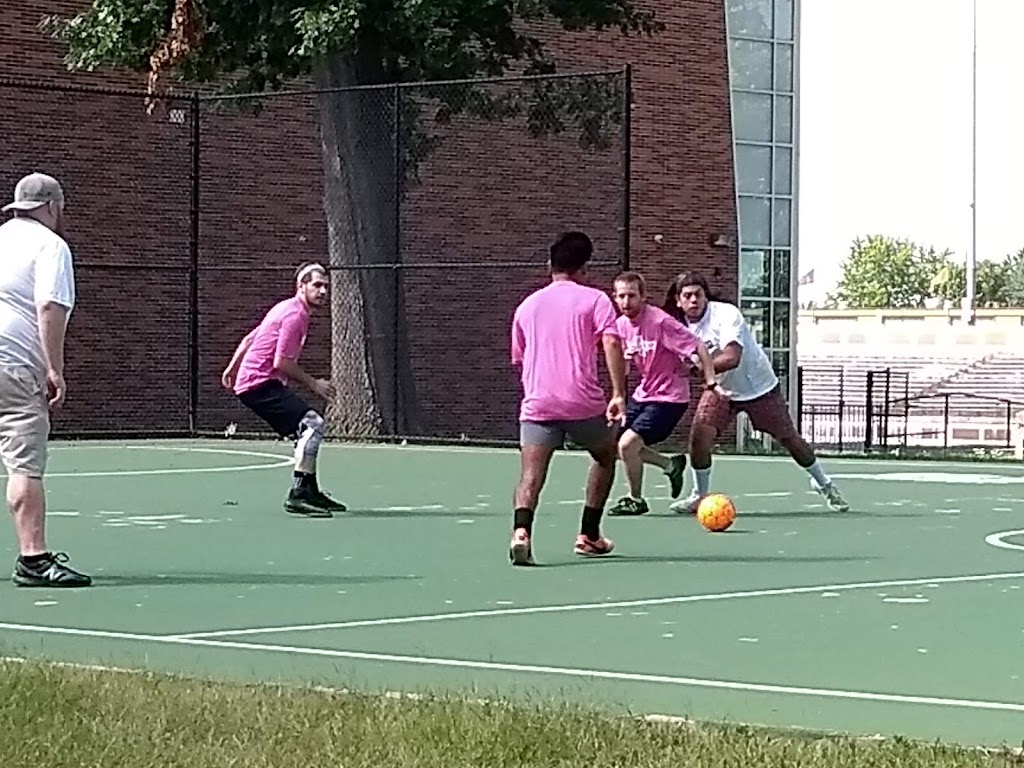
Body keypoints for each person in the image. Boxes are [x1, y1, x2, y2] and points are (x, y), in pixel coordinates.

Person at [662, 272, 850, 514]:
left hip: (758, 387)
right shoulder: (677, 326)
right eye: (687, 296)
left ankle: (824, 484)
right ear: (678, 300)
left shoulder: (726, 314)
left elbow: (732, 358)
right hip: (721, 389)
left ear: (706, 297)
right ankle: (700, 496)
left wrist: (694, 368)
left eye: (699, 294)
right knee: (699, 438)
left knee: (789, 439)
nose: (694, 300)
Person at [509, 231, 627, 566]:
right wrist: (618, 393)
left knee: (531, 475)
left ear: (550, 265)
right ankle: (589, 535)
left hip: (537, 404)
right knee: (605, 456)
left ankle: (521, 532)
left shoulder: (527, 305)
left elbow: (519, 359)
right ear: (584, 267)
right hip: (582, 402)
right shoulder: (595, 300)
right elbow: (612, 343)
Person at [0, 172, 91, 587]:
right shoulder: (51, 246)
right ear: (53, 207)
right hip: (15, 366)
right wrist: (55, 368)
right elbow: (50, 307)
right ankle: (33, 559)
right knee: (25, 464)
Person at [222, 262, 346, 518]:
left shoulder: (285, 308)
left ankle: (310, 491)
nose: (323, 291)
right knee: (313, 424)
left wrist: (232, 368)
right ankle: (298, 495)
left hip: (255, 383)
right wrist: (315, 384)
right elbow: (282, 362)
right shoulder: (294, 315)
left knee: (308, 428)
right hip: (258, 385)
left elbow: (250, 339)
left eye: (326, 287)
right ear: (301, 287)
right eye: (317, 285)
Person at [608, 271, 720, 517]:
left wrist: (710, 381)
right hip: (644, 394)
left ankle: (635, 499)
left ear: (644, 296)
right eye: (622, 297)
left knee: (628, 445)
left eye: (632, 296)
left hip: (669, 398)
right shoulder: (621, 326)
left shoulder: (660, 322)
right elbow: (625, 364)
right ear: (615, 298)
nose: (627, 302)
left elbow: (698, 346)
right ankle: (670, 465)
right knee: (616, 445)